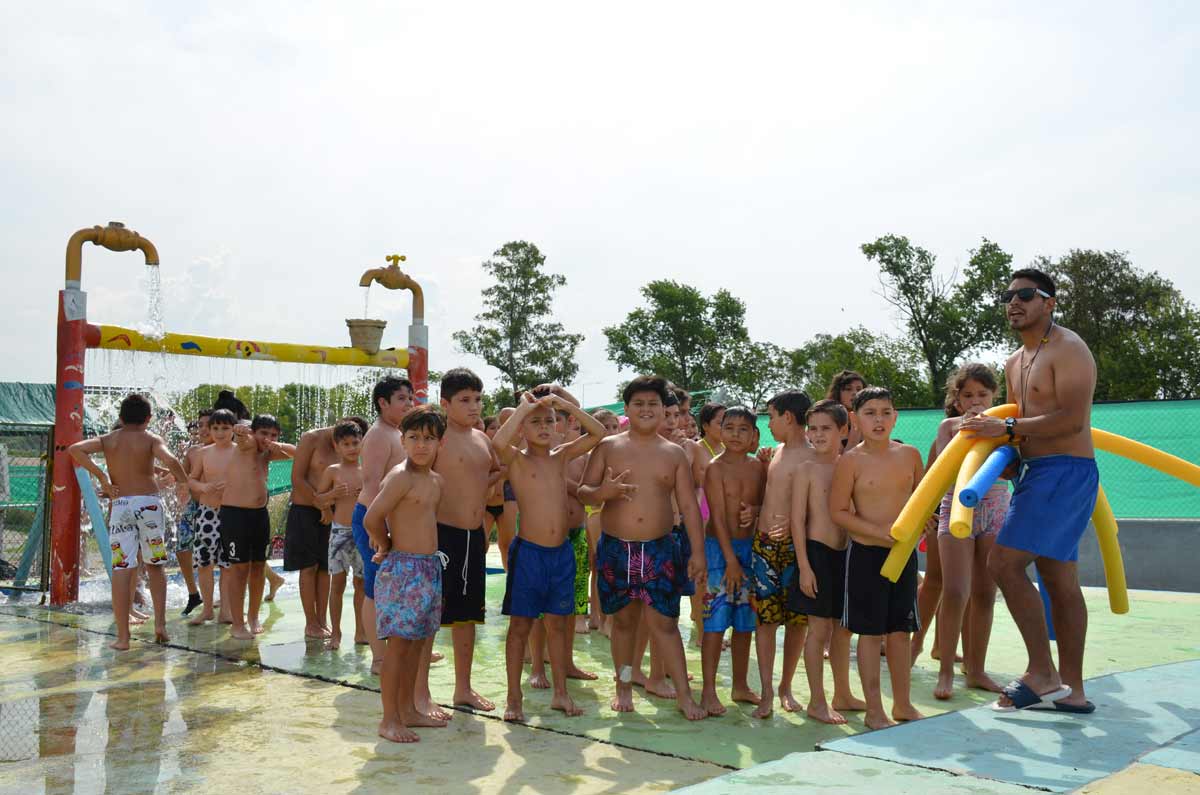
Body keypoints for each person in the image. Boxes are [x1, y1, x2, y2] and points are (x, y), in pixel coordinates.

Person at [962, 268, 1098, 714]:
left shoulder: (1069, 348)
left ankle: (1042, 671)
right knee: (1058, 579)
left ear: (1049, 302)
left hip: (1066, 472)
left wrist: (1005, 428)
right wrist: (1010, 452)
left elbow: (1072, 420)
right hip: (1035, 473)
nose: (1014, 303)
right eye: (1008, 297)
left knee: (1002, 562)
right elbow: (1024, 424)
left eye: (1025, 294)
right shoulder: (1014, 361)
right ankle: (1072, 690)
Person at [579, 375, 707, 721]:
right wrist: (603, 493)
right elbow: (583, 491)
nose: (646, 409)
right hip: (616, 548)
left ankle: (684, 696)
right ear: (627, 408)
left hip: (660, 549)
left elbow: (689, 505)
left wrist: (697, 552)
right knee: (623, 622)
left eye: (653, 404)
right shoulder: (608, 447)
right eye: (639, 403)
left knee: (665, 623)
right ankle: (623, 686)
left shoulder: (674, 454)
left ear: (663, 409)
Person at [493, 390, 605, 721]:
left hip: (561, 554)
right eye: (536, 422)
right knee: (520, 626)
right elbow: (498, 443)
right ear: (523, 429)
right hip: (529, 554)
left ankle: (560, 693)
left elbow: (598, 432)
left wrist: (566, 405)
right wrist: (524, 408)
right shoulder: (517, 459)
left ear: (558, 426)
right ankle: (514, 697)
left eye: (549, 421)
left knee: (558, 624)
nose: (544, 427)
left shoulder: (561, 456)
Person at [830, 386, 925, 729]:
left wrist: (924, 524)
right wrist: (877, 531)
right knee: (869, 634)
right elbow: (838, 511)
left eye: (885, 412)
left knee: (900, 632)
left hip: (903, 555)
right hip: (866, 556)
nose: (879, 420)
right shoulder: (850, 461)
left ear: (895, 417)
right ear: (855, 419)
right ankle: (874, 710)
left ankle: (903, 704)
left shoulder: (910, 455)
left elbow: (923, 499)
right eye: (870, 413)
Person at [69, 393, 189, 650]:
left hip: (121, 505)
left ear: (121, 418)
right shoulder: (151, 439)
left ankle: (123, 637)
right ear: (148, 418)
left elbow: (75, 449)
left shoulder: (109, 439)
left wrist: (102, 477)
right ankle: (160, 625)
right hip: (148, 504)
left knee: (122, 567)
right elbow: (171, 460)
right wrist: (184, 483)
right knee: (155, 565)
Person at [921, 364, 1009, 699]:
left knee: (985, 592)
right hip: (957, 509)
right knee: (956, 590)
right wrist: (966, 431)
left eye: (982, 394)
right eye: (968, 395)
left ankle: (976, 669)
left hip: (994, 509)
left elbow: (1011, 466)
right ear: (957, 400)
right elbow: (941, 471)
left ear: (994, 396)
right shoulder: (949, 427)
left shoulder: (1004, 424)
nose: (976, 401)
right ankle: (945, 670)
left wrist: (995, 431)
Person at [364, 406, 449, 743]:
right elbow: (372, 517)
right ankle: (389, 719)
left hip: (428, 568)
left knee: (416, 645)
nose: (421, 445)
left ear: (440, 443)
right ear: (402, 441)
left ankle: (409, 710)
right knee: (398, 648)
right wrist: (385, 545)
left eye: (429, 438)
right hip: (403, 569)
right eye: (414, 437)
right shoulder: (400, 476)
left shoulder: (435, 480)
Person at [790, 399, 866, 724]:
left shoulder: (850, 465)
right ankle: (817, 701)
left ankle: (842, 694)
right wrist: (804, 567)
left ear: (843, 430)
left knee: (842, 630)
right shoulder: (806, 469)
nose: (818, 434)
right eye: (813, 429)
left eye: (826, 428)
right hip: (816, 554)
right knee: (818, 630)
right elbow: (797, 521)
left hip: (845, 555)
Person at [435, 368, 501, 712]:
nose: (474, 406)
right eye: (465, 400)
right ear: (445, 403)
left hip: (473, 536)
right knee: (431, 616)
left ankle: (463, 688)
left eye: (478, 399)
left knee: (468, 616)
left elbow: (493, 475)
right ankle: (419, 692)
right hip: (440, 535)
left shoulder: (483, 440)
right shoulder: (436, 437)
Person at [750, 390, 814, 719]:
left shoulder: (812, 457)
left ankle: (785, 686)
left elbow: (819, 505)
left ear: (788, 417)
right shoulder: (775, 453)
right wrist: (755, 511)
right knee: (765, 620)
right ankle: (766, 691)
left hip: (795, 548)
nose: (769, 424)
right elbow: (770, 495)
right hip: (764, 545)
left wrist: (794, 523)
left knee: (796, 621)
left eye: (771, 417)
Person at [699, 406, 764, 716]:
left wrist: (756, 511)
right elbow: (717, 517)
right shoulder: (715, 468)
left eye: (743, 429)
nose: (735, 434)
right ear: (720, 431)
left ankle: (740, 685)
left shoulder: (758, 467)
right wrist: (730, 560)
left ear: (753, 435)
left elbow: (763, 503)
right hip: (718, 551)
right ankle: (708, 691)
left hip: (748, 549)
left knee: (744, 622)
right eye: (729, 428)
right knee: (715, 623)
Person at [352, 377, 416, 675]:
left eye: (410, 398)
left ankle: (401, 649)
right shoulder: (378, 434)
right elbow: (372, 483)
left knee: (397, 587)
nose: (409, 404)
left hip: (394, 520)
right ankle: (379, 657)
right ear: (383, 402)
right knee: (375, 588)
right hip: (374, 518)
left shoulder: (397, 432)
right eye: (402, 398)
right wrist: (380, 528)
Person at [217, 415, 294, 639]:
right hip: (235, 516)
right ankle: (237, 624)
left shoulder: (268, 452)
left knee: (259, 567)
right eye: (264, 434)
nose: (268, 439)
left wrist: (277, 445)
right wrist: (240, 431)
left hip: (259, 515)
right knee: (239, 569)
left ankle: (253, 616)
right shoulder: (248, 446)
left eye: (273, 435)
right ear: (254, 432)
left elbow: (298, 453)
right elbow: (241, 439)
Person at [286, 421, 340, 640]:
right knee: (308, 567)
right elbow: (297, 478)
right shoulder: (311, 438)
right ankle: (310, 622)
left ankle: (322, 620)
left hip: (331, 512)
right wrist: (321, 504)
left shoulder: (348, 444)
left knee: (325, 568)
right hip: (305, 509)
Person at [317, 420, 366, 651]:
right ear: (337, 446)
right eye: (346, 444)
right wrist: (332, 495)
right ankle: (335, 632)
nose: (351, 448)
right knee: (337, 583)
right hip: (340, 532)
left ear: (362, 443)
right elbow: (318, 499)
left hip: (363, 532)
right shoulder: (333, 471)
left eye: (355, 443)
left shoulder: (367, 470)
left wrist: (366, 493)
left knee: (361, 583)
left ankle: (361, 631)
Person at [186, 408, 237, 626]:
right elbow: (191, 479)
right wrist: (204, 487)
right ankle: (207, 609)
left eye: (225, 428)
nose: (220, 433)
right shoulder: (204, 453)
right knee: (204, 562)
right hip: (207, 513)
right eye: (215, 428)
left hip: (232, 512)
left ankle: (226, 610)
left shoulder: (240, 452)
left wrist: (234, 485)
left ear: (234, 429)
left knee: (228, 564)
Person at [585, 409, 621, 631]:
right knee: (602, 566)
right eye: (605, 427)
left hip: (608, 512)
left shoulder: (620, 454)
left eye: (614, 427)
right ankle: (603, 619)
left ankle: (601, 618)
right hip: (596, 513)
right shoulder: (594, 455)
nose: (611, 431)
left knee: (603, 567)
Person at [177, 409, 212, 616]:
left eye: (208, 425)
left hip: (216, 507)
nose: (203, 429)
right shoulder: (193, 452)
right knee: (182, 548)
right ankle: (193, 594)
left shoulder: (227, 449)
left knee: (218, 555)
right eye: (200, 425)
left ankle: (223, 599)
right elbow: (181, 476)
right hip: (194, 507)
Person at [826, 370, 866, 449]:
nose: (855, 393)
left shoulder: (870, 420)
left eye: (859, 389)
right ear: (838, 393)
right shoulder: (828, 420)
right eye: (848, 389)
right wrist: (856, 431)